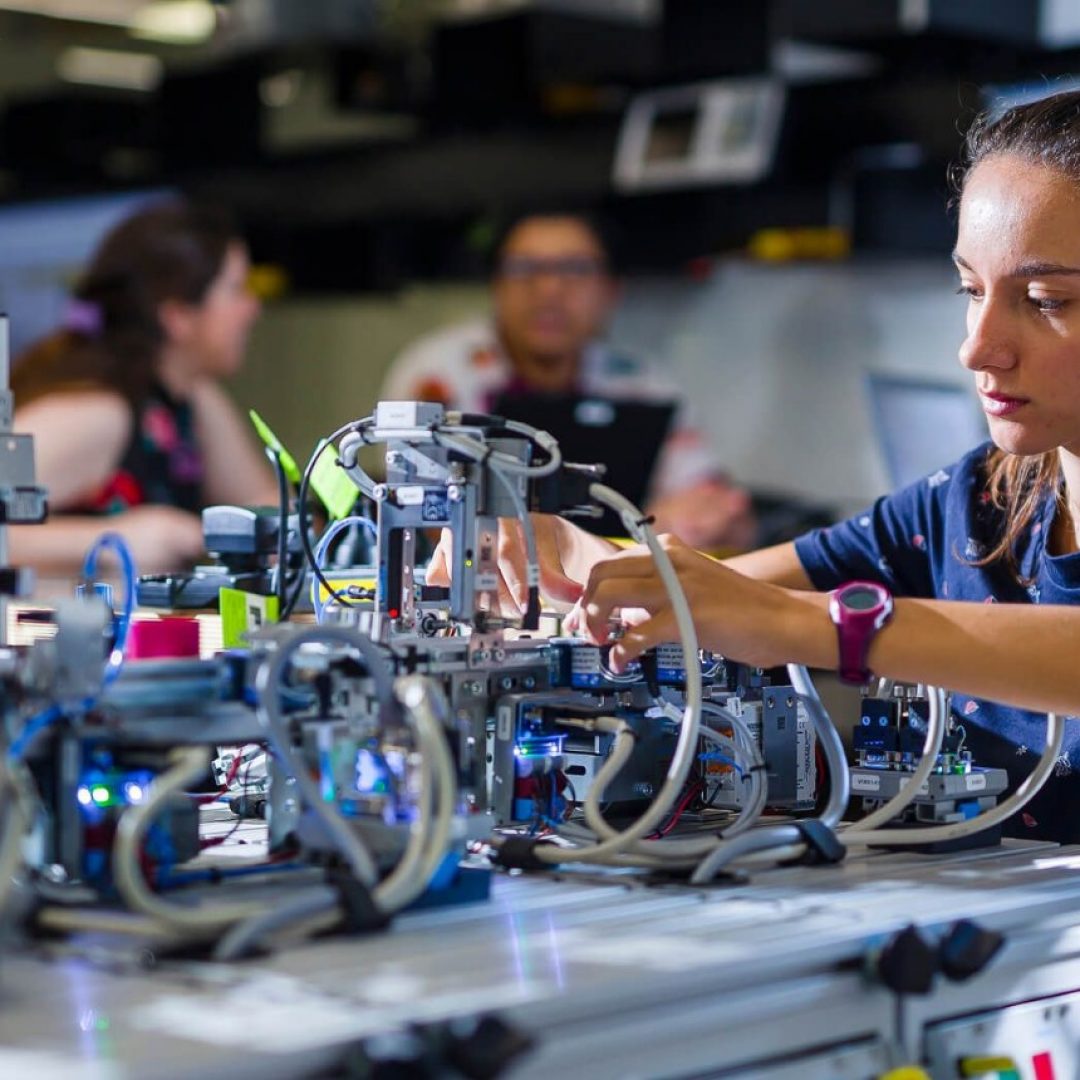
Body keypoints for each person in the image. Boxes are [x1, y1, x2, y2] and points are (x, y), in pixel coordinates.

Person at [432, 90, 1080, 844]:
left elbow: (775, 615)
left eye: (1045, 299)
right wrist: (570, 553)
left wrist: (799, 627)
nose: (977, 347)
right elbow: (723, 593)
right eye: (970, 290)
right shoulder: (969, 507)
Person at [379, 210, 756, 549]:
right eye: (525, 269)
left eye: (575, 269)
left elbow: (711, 501)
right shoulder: (441, 374)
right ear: (496, 286)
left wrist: (707, 517)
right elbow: (422, 512)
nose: (550, 291)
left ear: (611, 289)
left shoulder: (642, 385)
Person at [10, 199, 278, 575]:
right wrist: (110, 540)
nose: (252, 308)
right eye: (236, 290)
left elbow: (268, 506)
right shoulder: (98, 412)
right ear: (178, 317)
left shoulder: (190, 397)